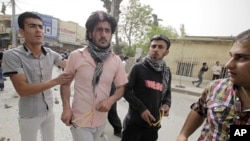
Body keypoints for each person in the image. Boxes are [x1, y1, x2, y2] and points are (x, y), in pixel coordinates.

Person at [2, 12, 73, 141]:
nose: (38, 30)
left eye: (40, 27)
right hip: (29, 114)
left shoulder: (51, 54)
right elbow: (22, 90)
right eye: (32, 26)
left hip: (48, 110)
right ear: (22, 32)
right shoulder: (12, 55)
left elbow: (69, 64)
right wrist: (56, 81)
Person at [60, 10, 128, 141]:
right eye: (99, 30)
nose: (103, 35)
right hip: (80, 119)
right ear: (90, 33)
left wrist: (110, 100)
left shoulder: (116, 61)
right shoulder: (76, 56)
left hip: (101, 120)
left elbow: (121, 88)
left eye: (107, 31)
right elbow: (65, 84)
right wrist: (66, 108)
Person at [176, 29, 250, 141]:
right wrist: (183, 135)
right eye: (231, 56)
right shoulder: (216, 87)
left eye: (242, 57)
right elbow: (199, 109)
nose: (228, 64)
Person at [122, 34, 172, 141]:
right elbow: (125, 90)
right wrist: (142, 109)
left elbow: (167, 93)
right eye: (153, 46)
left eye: (160, 47)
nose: (156, 49)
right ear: (149, 48)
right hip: (134, 124)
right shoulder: (138, 68)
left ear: (166, 52)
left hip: (153, 126)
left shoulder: (166, 72)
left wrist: (167, 104)